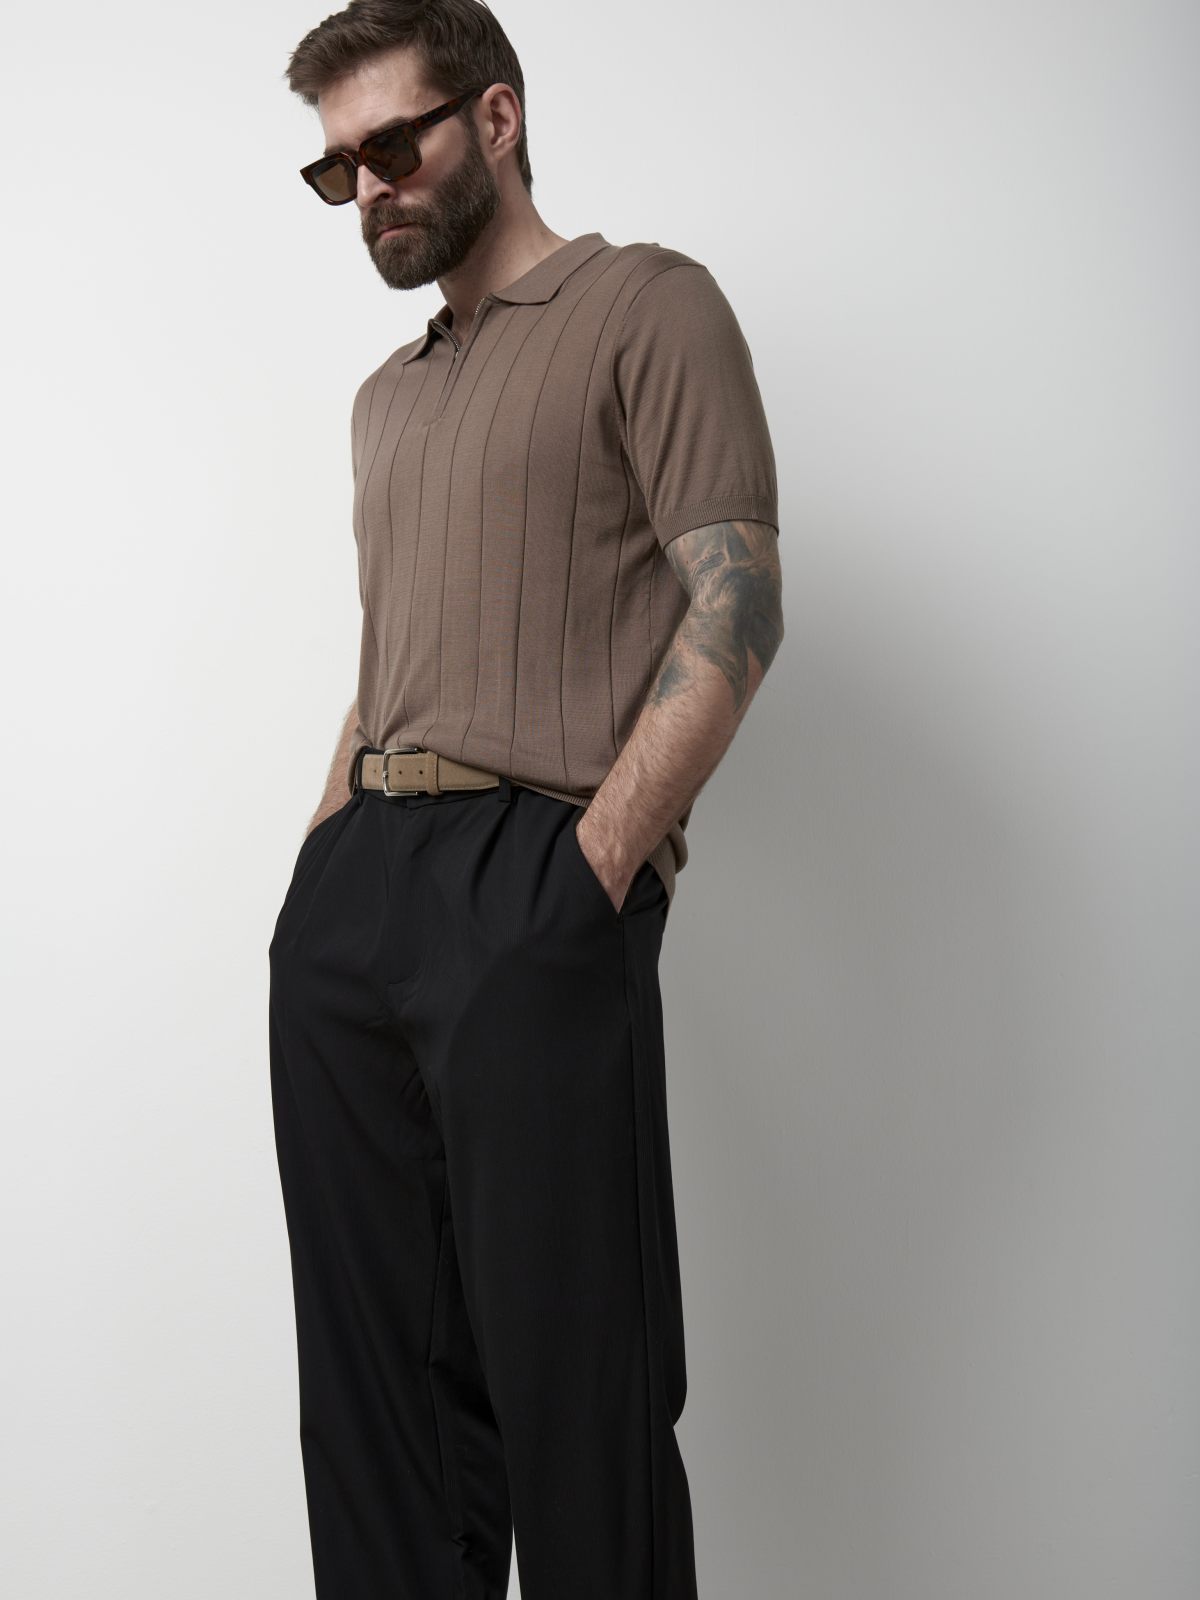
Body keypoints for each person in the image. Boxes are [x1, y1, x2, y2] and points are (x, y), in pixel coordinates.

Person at [270, 3, 784, 1596]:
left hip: (534, 880)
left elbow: (739, 604)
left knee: (583, 1399)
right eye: (338, 166)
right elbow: (393, 658)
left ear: (495, 119)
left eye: (392, 143)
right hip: (360, 898)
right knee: (375, 1418)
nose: (369, 186)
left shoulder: (645, 305)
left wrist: (593, 872)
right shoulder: (388, 397)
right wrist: (319, 871)